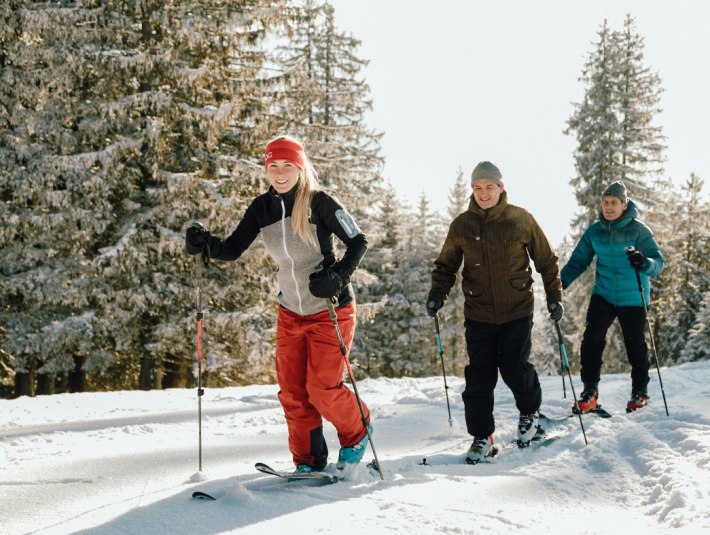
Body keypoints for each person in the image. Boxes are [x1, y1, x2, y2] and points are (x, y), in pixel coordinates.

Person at [185, 135, 372, 474]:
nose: (280, 172)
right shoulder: (262, 208)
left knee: (322, 389)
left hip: (330, 309)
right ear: (266, 169)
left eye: (288, 165)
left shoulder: (320, 202)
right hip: (290, 312)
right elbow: (231, 249)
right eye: (274, 166)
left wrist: (340, 275)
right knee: (293, 393)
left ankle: (357, 432)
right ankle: (308, 461)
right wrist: (204, 244)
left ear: (300, 168)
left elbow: (358, 240)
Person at [426, 161, 563, 463]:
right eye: (478, 188)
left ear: (501, 188)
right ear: (472, 191)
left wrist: (555, 297)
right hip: (479, 313)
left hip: (517, 310)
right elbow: (446, 265)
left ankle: (530, 415)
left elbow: (546, 260)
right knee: (479, 377)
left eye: (489, 187)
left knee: (515, 367)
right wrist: (437, 295)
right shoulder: (462, 225)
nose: (483, 193)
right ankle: (481, 436)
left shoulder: (520, 219)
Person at [561, 180, 664, 413]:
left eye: (613, 203)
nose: (608, 207)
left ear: (624, 204)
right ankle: (590, 391)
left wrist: (643, 262)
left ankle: (640, 392)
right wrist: (561, 283)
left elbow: (658, 264)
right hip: (604, 294)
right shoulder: (595, 231)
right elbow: (579, 261)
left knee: (634, 345)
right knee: (592, 339)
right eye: (605, 203)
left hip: (633, 298)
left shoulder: (639, 230)